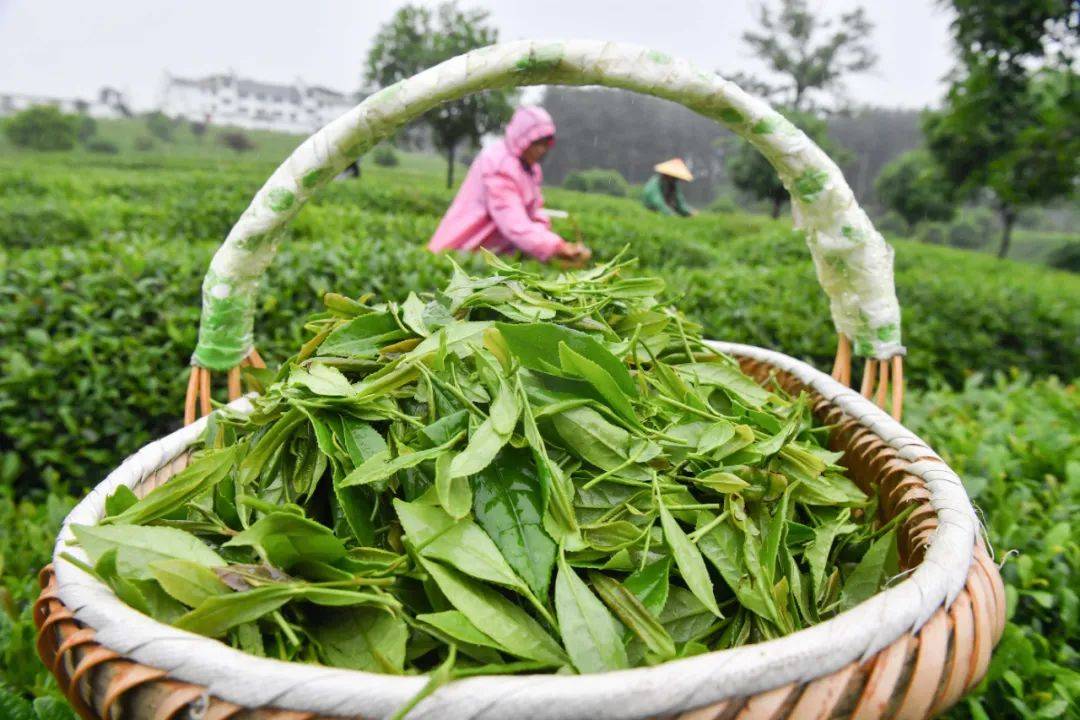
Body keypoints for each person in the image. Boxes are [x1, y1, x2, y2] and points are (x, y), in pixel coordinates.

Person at [428, 106, 591, 265]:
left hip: (489, 256)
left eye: (545, 143)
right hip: (460, 253)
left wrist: (552, 244)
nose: (541, 150)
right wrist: (556, 247)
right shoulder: (499, 165)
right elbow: (513, 222)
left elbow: (533, 212)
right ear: (523, 138)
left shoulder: (530, 168)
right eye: (537, 143)